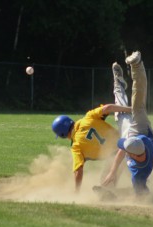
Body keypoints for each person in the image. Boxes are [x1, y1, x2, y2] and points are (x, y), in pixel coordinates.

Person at [51, 65, 132, 193]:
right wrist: (130, 109)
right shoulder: (87, 118)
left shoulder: (76, 146)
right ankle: (118, 85)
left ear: (62, 134)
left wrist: (76, 192)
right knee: (121, 110)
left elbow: (78, 171)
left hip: (119, 153)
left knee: (106, 183)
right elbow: (108, 108)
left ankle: (132, 191)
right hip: (127, 134)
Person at [102, 51, 153, 196]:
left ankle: (118, 83)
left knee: (120, 115)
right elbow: (126, 149)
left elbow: (124, 149)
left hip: (134, 136)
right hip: (142, 129)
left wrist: (112, 173)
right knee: (138, 104)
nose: (124, 149)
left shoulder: (136, 150)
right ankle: (137, 64)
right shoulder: (141, 169)